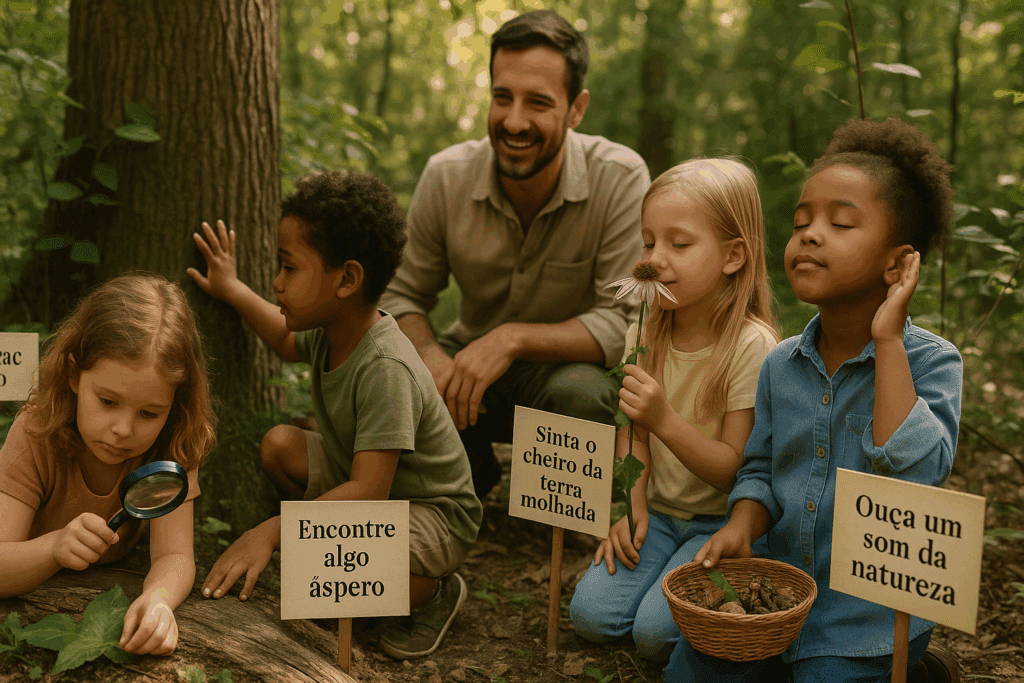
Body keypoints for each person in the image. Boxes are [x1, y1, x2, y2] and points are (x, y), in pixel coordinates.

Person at [668, 117, 962, 682]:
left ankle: (919, 670)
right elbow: (759, 468)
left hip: (866, 617)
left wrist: (888, 340)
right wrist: (743, 522)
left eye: (840, 223)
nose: (809, 234)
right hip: (776, 596)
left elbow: (918, 476)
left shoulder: (932, 362)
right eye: (802, 222)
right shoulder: (780, 364)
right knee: (689, 673)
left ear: (897, 264)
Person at [188, 170, 483, 660]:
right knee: (280, 446)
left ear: (346, 279)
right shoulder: (334, 328)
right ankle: (334, 554)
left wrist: (274, 530)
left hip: (432, 513)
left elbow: (369, 491)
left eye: (289, 268)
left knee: (336, 572)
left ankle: (434, 591)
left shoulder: (385, 366)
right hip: (368, 482)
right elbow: (283, 340)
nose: (277, 283)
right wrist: (231, 288)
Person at [379, 9, 651, 501]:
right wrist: (432, 360)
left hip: (564, 376)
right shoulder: (446, 175)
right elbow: (399, 295)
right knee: (398, 378)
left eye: (538, 102)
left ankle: (557, 515)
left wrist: (512, 339)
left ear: (576, 109)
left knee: (584, 394)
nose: (514, 121)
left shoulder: (620, 177)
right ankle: (470, 480)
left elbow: (626, 322)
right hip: (466, 376)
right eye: (502, 97)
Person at [569, 158, 780, 662]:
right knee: (591, 616)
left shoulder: (752, 347)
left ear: (733, 256)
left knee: (654, 634)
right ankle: (666, 586)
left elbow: (733, 469)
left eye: (679, 244)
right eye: (648, 243)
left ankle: (731, 591)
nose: (655, 259)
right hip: (658, 516)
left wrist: (664, 418)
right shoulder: (644, 332)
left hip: (720, 527)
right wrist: (631, 506)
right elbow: (632, 434)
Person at [0, 273, 217, 656]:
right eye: (108, 402)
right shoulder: (36, 432)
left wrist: (158, 600)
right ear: (73, 374)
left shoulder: (174, 440)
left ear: (175, 403)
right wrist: (54, 547)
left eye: (149, 413)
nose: (123, 430)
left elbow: (175, 555)